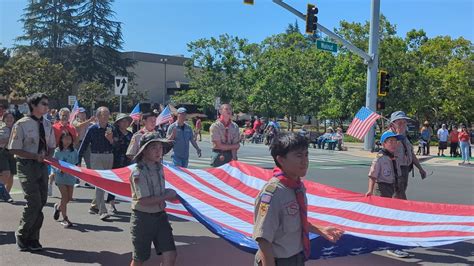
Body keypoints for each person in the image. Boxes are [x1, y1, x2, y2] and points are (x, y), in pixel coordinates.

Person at [253, 132, 344, 265]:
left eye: (306, 155)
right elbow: (264, 240)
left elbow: (295, 221)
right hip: (277, 261)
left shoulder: (297, 187)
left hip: (296, 258)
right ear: (281, 160)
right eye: (298, 156)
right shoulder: (273, 194)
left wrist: (321, 229)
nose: (304, 161)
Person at [8, 93, 56, 251]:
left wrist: (48, 154)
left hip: (42, 166)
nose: (46, 106)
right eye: (43, 103)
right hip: (27, 165)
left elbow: (51, 145)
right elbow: (14, 148)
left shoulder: (48, 124)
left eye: (47, 103)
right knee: (33, 201)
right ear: (34, 106)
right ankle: (22, 234)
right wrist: (34, 156)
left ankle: (33, 237)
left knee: (41, 201)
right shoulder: (21, 124)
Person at [129, 132, 177, 266]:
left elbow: (159, 192)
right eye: (154, 147)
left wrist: (172, 195)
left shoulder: (159, 167)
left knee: (171, 254)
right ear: (144, 151)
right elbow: (143, 200)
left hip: (160, 217)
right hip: (143, 219)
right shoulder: (139, 172)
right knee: (140, 258)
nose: (158, 151)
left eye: (160, 147)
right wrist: (167, 196)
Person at [365, 131, 408, 258]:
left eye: (395, 141)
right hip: (382, 188)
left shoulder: (394, 157)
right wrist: (370, 191)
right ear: (384, 144)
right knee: (388, 219)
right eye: (390, 142)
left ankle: (382, 240)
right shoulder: (380, 158)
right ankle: (392, 246)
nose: (394, 144)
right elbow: (373, 176)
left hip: (393, 187)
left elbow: (397, 173)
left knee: (390, 217)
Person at [78, 106, 114, 221]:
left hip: (109, 156)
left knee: (106, 183)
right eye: (104, 114)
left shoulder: (111, 128)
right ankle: (102, 211)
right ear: (98, 116)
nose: (106, 117)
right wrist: (78, 158)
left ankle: (94, 205)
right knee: (100, 183)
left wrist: (111, 140)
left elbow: (117, 145)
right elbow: (84, 144)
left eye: (108, 114)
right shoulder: (92, 129)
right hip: (96, 156)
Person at [389, 111, 427, 200]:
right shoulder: (389, 136)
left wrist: (420, 169)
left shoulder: (404, 136)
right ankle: (403, 209)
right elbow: (390, 151)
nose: (403, 125)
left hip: (405, 168)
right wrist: (397, 137)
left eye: (404, 122)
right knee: (399, 193)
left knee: (401, 191)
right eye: (400, 123)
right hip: (394, 169)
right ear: (392, 124)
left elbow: (411, 154)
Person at [107, 113, 133, 212]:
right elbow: (112, 145)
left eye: (126, 121)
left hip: (127, 161)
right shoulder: (114, 132)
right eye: (122, 121)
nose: (125, 123)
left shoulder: (130, 134)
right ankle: (111, 203)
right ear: (118, 123)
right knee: (113, 182)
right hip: (115, 160)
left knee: (128, 183)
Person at [51, 131, 78, 228]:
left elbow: (76, 164)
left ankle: (58, 207)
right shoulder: (57, 151)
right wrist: (58, 170)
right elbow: (53, 163)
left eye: (69, 139)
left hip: (70, 177)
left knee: (69, 198)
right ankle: (65, 218)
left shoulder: (74, 151)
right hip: (60, 177)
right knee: (64, 197)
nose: (67, 141)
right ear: (61, 140)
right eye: (65, 139)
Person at [50, 107, 79, 195]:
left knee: (66, 171)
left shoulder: (72, 128)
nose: (65, 117)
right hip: (57, 152)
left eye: (67, 115)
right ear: (60, 116)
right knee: (54, 171)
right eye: (63, 115)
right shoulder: (54, 127)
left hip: (68, 153)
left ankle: (66, 191)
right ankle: (50, 184)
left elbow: (74, 141)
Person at [0, 111, 16, 203]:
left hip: (13, 153)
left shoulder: (16, 128)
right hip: (3, 152)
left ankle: (6, 194)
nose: (9, 119)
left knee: (11, 176)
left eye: (11, 117)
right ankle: (5, 195)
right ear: (4, 119)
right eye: (7, 117)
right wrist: (9, 138)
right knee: (6, 173)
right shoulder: (1, 129)